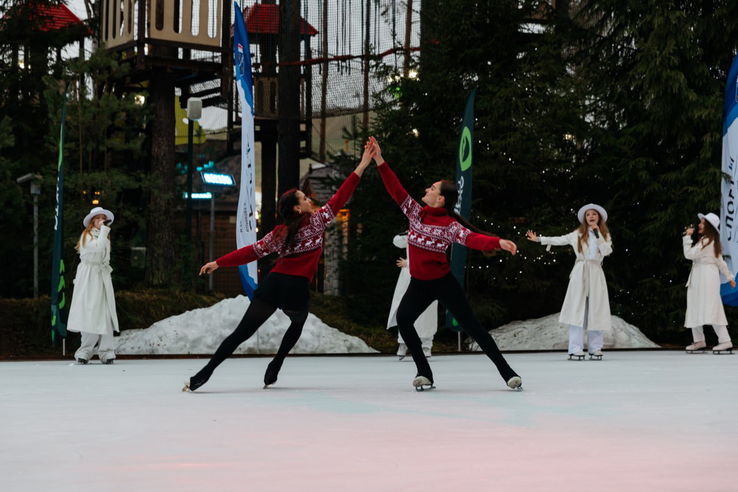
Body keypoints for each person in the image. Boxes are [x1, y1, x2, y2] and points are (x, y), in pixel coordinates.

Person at [184, 142, 375, 392]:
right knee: (297, 324)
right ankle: (276, 364)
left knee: (240, 333)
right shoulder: (317, 222)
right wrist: (362, 165)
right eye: (305, 198)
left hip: (273, 284)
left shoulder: (279, 232)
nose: (309, 200)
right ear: (298, 208)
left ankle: (204, 374)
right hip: (295, 288)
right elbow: (342, 195)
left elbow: (250, 252)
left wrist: (218, 262)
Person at [368, 137, 522, 391]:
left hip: (443, 284)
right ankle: (424, 372)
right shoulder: (415, 213)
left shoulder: (449, 226)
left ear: (440, 200)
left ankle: (508, 373)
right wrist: (379, 159)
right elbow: (395, 189)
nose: (427, 189)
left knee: (474, 328)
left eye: (432, 188)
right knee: (404, 320)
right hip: (419, 284)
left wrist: (498, 242)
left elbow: (472, 238)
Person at [526, 204, 613, 360]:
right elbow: (560, 239)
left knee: (596, 309)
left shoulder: (604, 235)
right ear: (585, 218)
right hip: (580, 271)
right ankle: (575, 348)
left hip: (595, 272)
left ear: (599, 217)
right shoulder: (577, 234)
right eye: (588, 215)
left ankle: (595, 348)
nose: (591, 216)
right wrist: (539, 239)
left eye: (594, 214)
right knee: (577, 309)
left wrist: (598, 235)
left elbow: (607, 251)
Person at [67, 207, 119, 365]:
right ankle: (85, 350)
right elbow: (96, 246)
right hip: (89, 276)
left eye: (103, 218)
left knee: (106, 312)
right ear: (92, 222)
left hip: (101, 275)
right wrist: (104, 231)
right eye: (98, 218)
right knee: (89, 311)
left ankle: (106, 351)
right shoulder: (87, 235)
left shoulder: (105, 237)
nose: (102, 221)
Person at [683, 213, 735, 354]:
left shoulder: (708, 242)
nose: (699, 224)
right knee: (695, 305)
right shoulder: (709, 241)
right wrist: (729, 277)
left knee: (711, 306)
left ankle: (725, 340)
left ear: (709, 227)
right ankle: (699, 340)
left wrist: (687, 237)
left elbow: (689, 254)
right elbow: (720, 261)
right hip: (700, 276)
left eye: (702, 223)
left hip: (706, 277)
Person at [387, 233, 437, 360]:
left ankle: (426, 345)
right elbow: (396, 241)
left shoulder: (433, 236)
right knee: (404, 310)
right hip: (409, 277)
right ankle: (403, 343)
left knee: (426, 313)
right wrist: (407, 232)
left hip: (427, 275)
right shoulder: (413, 235)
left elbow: (431, 258)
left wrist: (408, 263)